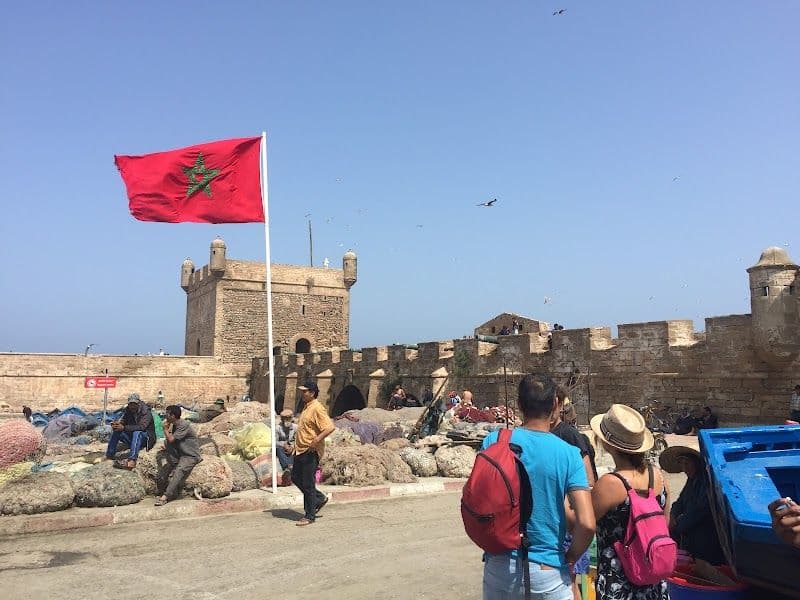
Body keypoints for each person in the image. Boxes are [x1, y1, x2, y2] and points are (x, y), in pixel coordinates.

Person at [481, 373, 595, 600]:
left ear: (519, 404)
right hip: (547, 568)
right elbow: (587, 523)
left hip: (499, 565)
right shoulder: (568, 454)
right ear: (555, 404)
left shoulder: (493, 441)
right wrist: (571, 557)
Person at [591, 404, 670, 600]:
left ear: (608, 444)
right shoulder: (658, 476)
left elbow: (584, 523)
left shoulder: (609, 484)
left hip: (618, 581)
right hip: (652, 578)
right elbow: (665, 523)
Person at [551, 388, 596, 600]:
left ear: (560, 405)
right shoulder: (545, 434)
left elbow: (588, 479)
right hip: (555, 522)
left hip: (569, 522)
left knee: (570, 581)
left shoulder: (568, 434)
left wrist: (571, 507)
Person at [659, 446, 724, 564]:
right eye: (682, 464)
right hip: (688, 526)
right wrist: (673, 515)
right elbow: (680, 502)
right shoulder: (691, 479)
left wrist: (677, 526)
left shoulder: (706, 482)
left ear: (697, 463)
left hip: (706, 534)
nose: (684, 468)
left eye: (687, 463)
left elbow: (700, 511)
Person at [292, 381, 335, 526]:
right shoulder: (307, 407)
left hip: (310, 450)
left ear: (312, 393)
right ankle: (318, 498)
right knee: (295, 477)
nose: (302, 393)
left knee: (308, 483)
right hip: (300, 449)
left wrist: (316, 440)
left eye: (305, 391)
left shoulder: (317, 408)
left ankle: (309, 515)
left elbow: (329, 427)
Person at [155, 405, 202, 506]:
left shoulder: (184, 425)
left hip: (190, 455)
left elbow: (171, 439)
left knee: (179, 471)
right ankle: (174, 464)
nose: (165, 416)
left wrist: (165, 429)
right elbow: (171, 441)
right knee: (167, 444)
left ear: (173, 416)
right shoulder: (175, 425)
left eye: (167, 414)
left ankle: (165, 496)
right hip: (181, 453)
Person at [106, 393, 156, 469]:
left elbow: (142, 427)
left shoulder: (146, 412)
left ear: (138, 403)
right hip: (133, 438)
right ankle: (109, 455)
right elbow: (124, 421)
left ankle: (132, 460)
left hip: (146, 438)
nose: (132, 406)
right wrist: (117, 425)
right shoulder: (128, 411)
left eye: (134, 404)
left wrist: (124, 427)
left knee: (137, 432)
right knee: (117, 431)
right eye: (130, 404)